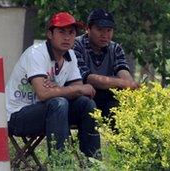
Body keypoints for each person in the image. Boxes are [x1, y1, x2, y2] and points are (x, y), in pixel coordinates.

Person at [6, 12, 100, 158]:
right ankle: (60, 164)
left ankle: (93, 162)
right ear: (50, 34)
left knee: (86, 104)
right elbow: (44, 94)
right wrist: (69, 90)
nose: (67, 37)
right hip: (17, 116)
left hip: (52, 113)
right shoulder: (36, 53)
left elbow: (80, 92)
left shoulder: (71, 55)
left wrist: (57, 89)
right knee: (59, 103)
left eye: (71, 32)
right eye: (61, 32)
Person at [73, 9, 139, 128]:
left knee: (121, 106)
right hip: (82, 97)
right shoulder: (76, 45)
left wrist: (130, 86)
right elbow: (87, 79)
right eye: (99, 30)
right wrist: (121, 83)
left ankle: (123, 146)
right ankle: (91, 147)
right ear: (88, 28)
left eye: (109, 30)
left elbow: (122, 70)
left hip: (106, 96)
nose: (105, 35)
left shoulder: (115, 48)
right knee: (88, 104)